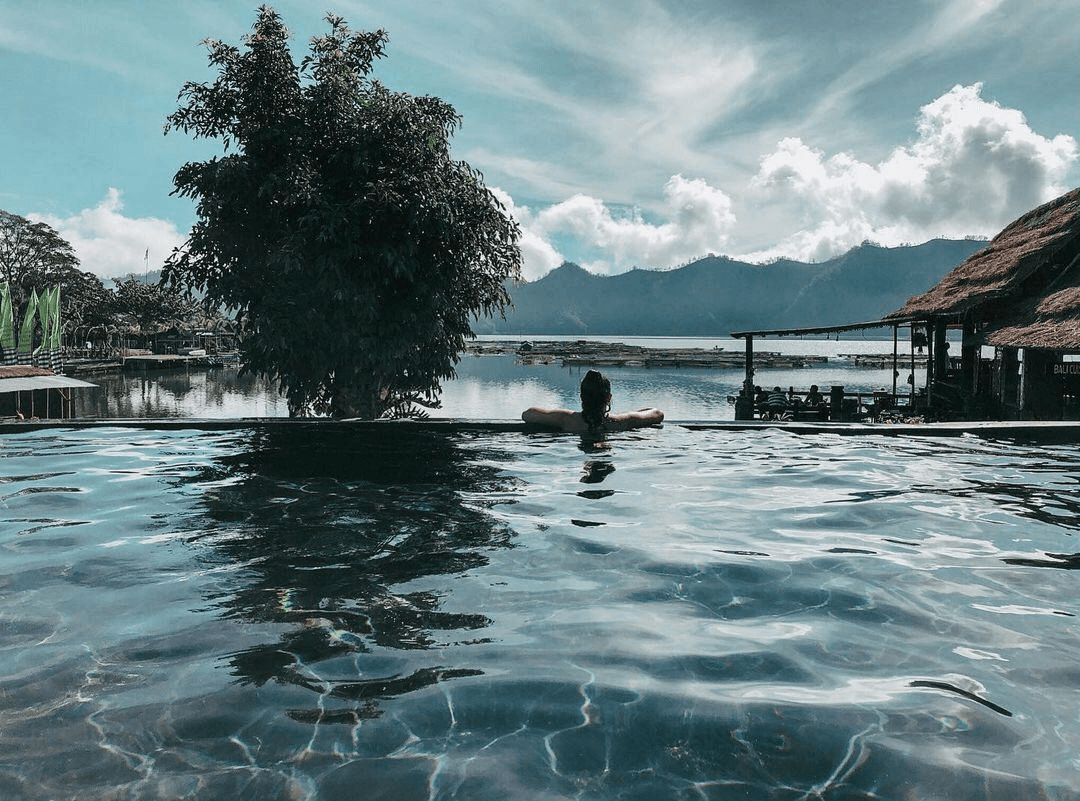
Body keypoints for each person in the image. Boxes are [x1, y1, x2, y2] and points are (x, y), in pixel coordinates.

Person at [521, 369, 664, 434]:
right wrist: (631, 414)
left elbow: (527, 414)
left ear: (581, 396)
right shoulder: (622, 421)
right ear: (608, 398)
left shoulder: (566, 419)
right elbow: (658, 413)